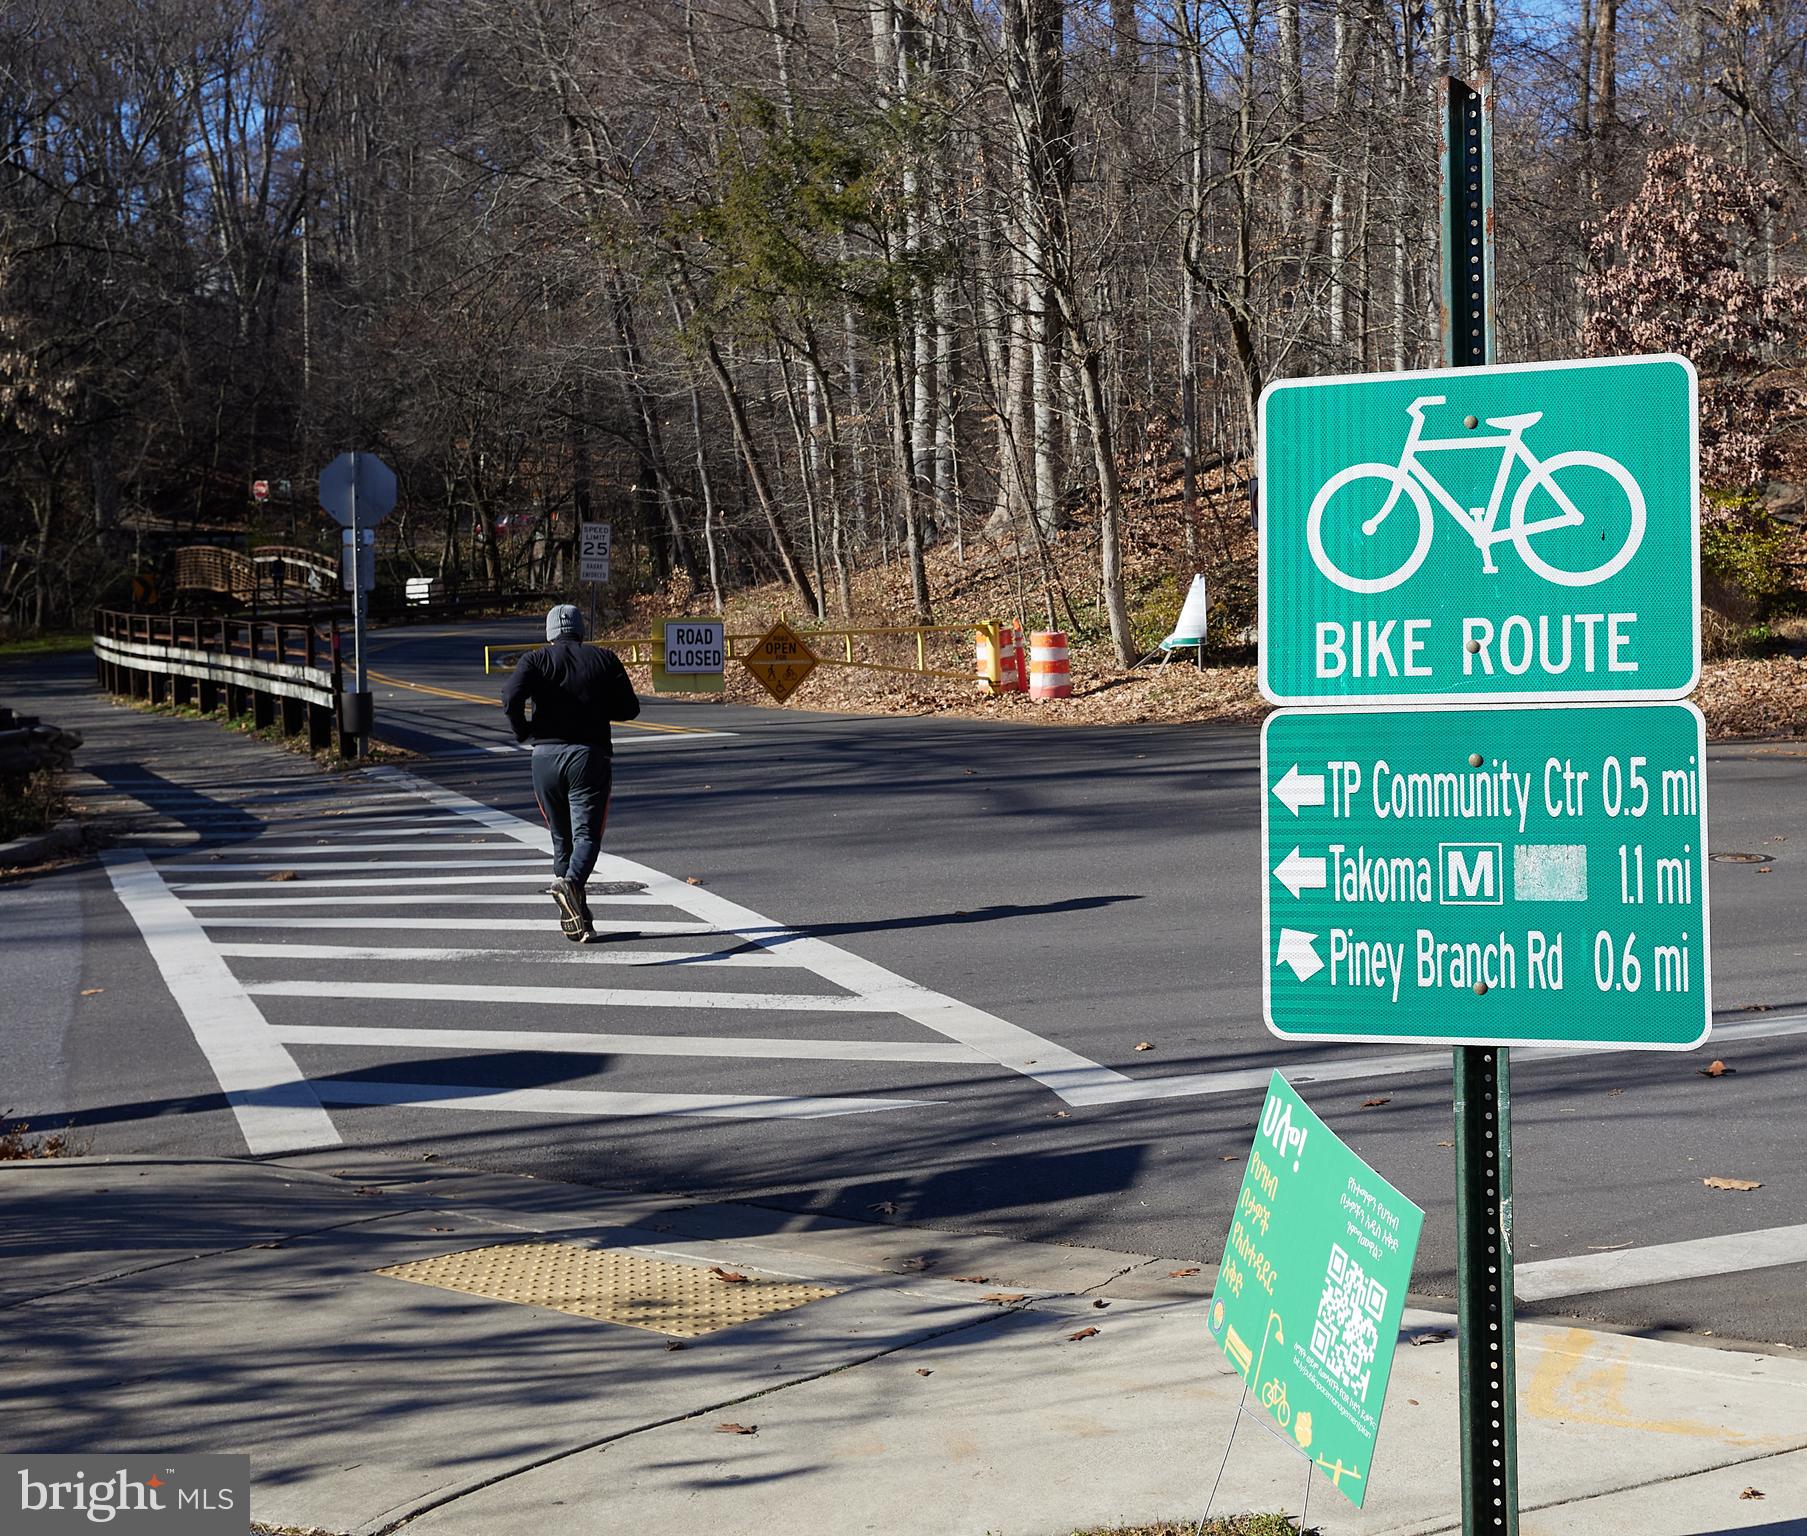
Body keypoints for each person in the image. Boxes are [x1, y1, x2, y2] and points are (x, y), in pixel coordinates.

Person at [501, 604, 640, 942]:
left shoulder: (534, 660)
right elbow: (630, 708)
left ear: (550, 632)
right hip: (588, 757)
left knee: (562, 839)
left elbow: (510, 696)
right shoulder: (604, 658)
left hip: (544, 759)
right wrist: (596, 707)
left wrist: (523, 730)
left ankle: (579, 919)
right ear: (581, 630)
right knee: (587, 837)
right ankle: (572, 884)